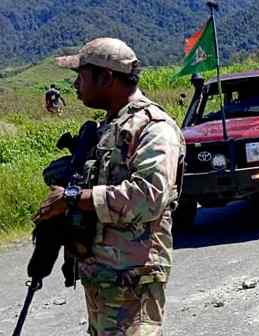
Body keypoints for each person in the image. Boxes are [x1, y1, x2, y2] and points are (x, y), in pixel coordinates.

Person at [33, 37, 186, 335]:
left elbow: (149, 196)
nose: (76, 84)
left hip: (133, 276)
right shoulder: (110, 127)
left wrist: (74, 197)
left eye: (82, 75)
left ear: (106, 77)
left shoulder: (153, 127)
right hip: (104, 274)